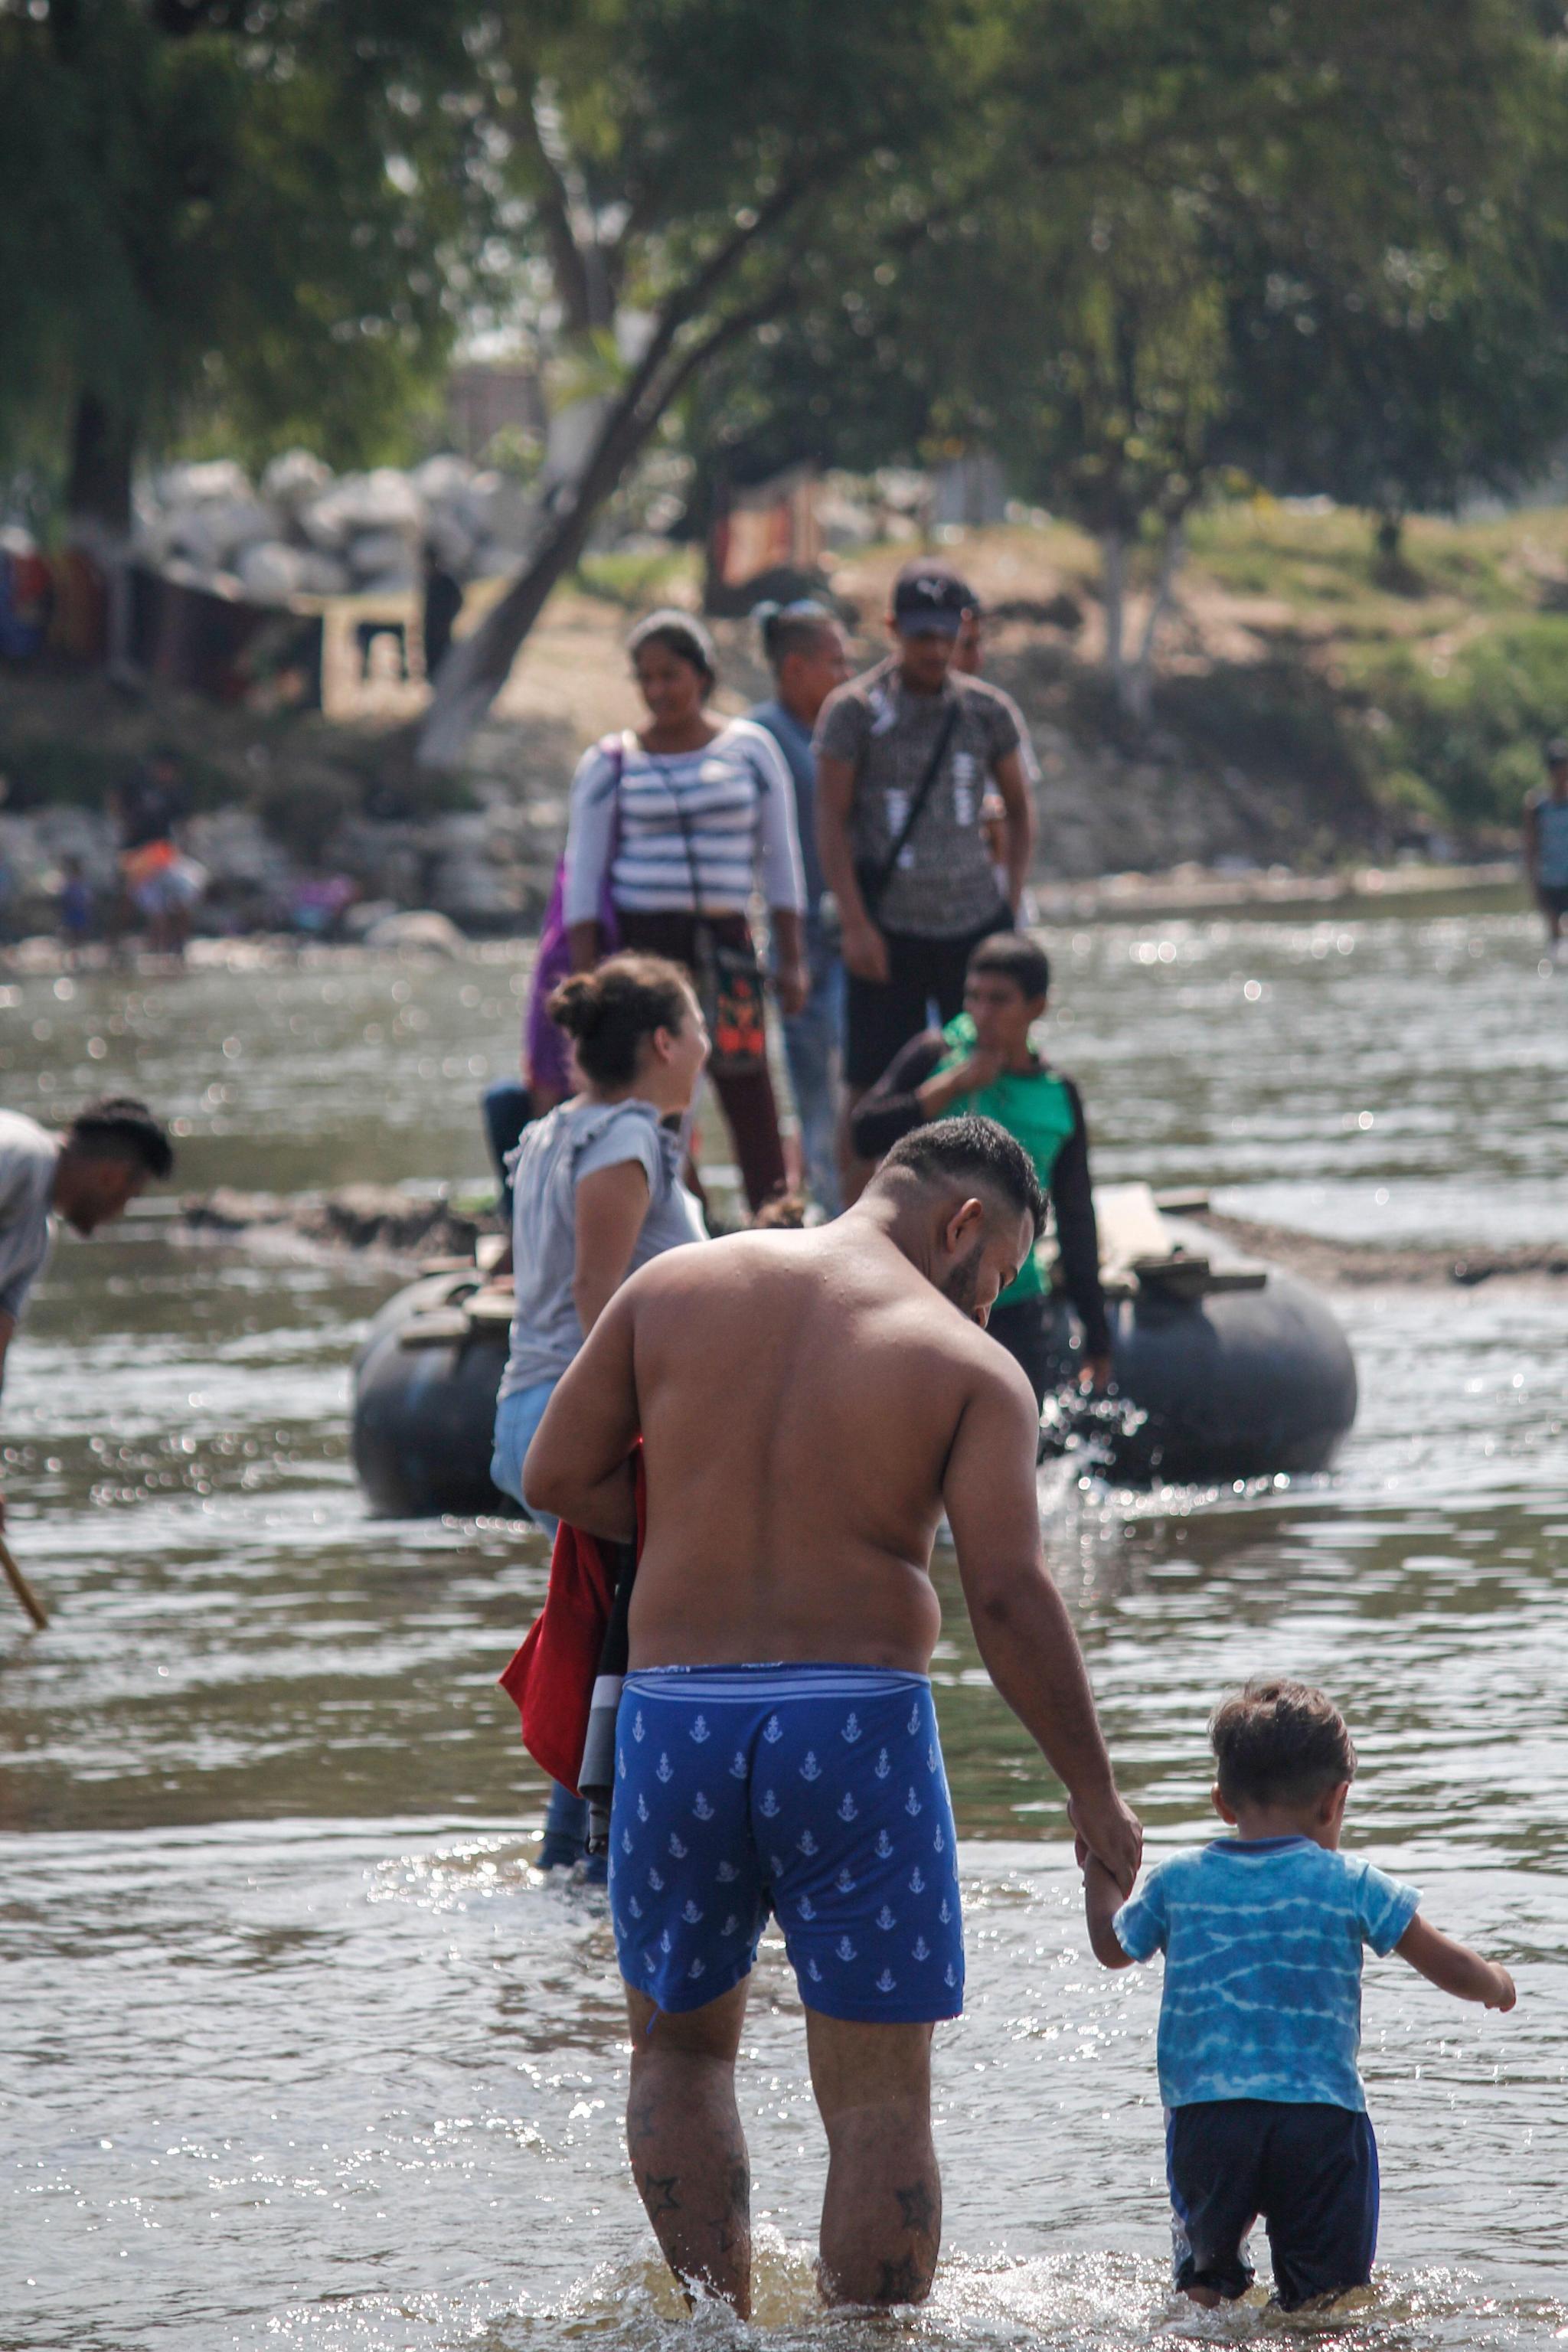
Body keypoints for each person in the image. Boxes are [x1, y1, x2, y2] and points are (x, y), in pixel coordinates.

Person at [523, 1115, 1142, 2313]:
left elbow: (554, 1476)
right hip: (854, 1729)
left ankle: (711, 2329)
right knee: (876, 2099)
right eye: (1000, 1275)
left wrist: (697, 1526)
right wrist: (1093, 1791)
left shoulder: (672, 1285)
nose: (990, 1308)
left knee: (683, 2051)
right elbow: (1007, 1598)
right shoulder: (964, 1370)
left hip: (676, 1724)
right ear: (963, 1224)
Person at [1085, 1679, 1515, 2314]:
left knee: (1209, 2291)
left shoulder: (1177, 1882)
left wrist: (1101, 1862)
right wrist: (1497, 1984)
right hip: (1320, 2122)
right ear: (1334, 1802)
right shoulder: (1352, 1883)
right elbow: (1446, 1963)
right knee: (1327, 2303)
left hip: (1210, 2121)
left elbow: (1110, 1945)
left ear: (1222, 1802)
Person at [491, 953, 710, 1870]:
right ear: (663, 1043)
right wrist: (632, 1428)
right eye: (696, 1029)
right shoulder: (622, 1139)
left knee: (609, 1637)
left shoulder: (557, 1127)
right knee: (631, 1642)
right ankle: (590, 1859)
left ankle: (577, 1863)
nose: (706, 1047)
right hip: (572, 1418)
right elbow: (597, 1295)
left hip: (530, 1408)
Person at [562, 610, 808, 1215]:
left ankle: (776, 1221)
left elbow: (781, 860)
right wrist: (589, 975)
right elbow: (583, 874)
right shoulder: (610, 762)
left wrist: (793, 957)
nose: (658, 690)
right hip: (642, 955)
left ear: (702, 676)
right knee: (648, 1090)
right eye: (646, 678)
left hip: (726, 943)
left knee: (748, 1085)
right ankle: (675, 1218)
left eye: (670, 675)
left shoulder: (751, 750)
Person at [814, 560, 1037, 1201]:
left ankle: (998, 1209)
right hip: (888, 930)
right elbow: (830, 820)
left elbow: (1020, 810)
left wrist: (1010, 904)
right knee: (870, 1083)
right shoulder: (853, 712)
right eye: (920, 637)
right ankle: (850, 1215)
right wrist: (854, 923)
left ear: (962, 629)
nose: (934, 651)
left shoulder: (987, 711)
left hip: (974, 923)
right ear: (892, 629)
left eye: (945, 636)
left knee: (994, 1066)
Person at [851, 934, 1111, 1403]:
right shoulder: (935, 1055)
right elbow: (864, 1131)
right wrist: (953, 1085)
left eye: (999, 1000)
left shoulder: (1058, 1094)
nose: (981, 1012)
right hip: (920, 1294)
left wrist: (1098, 1332)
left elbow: (1076, 1215)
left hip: (1014, 1302)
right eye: (973, 996)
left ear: (1036, 1007)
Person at [0, 1099, 174, 1527]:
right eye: (131, 1196)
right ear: (110, 1175)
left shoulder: (35, 1243)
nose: (122, 1211)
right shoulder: (20, 1152)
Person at [750, 599, 853, 1214]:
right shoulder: (762, 738)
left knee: (858, 1086)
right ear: (795, 669)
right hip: (802, 946)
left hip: (852, 937)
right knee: (817, 1091)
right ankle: (831, 1211)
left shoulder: (836, 730)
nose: (845, 675)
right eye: (833, 663)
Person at [1522, 737, 1568, 949]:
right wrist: (1533, 884)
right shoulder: (1537, 806)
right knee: (1555, 939)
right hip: (1549, 880)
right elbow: (1531, 846)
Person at [421, 543, 464, 683]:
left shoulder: (445, 581)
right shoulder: (430, 581)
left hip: (442, 631)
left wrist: (448, 618)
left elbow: (458, 601)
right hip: (430, 632)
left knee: (444, 664)